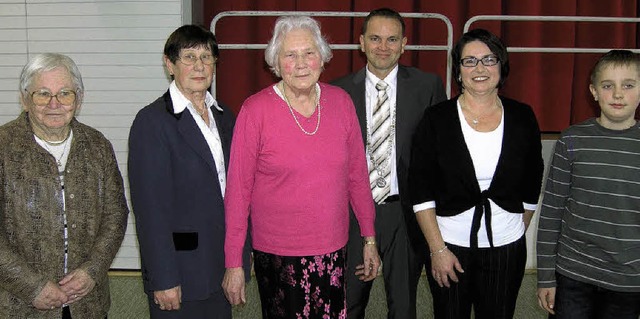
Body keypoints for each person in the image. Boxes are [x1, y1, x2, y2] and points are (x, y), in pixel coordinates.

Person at [222, 16, 381, 318]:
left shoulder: (341, 102)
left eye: (309, 52)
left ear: (322, 57)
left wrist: (369, 238)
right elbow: (238, 193)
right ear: (275, 62)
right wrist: (234, 262)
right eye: (290, 55)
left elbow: (358, 177)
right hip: (280, 256)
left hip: (334, 250)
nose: (301, 63)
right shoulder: (255, 111)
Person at [409, 28, 544, 319]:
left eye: (489, 59)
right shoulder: (436, 119)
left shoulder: (523, 116)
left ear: (501, 66)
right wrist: (437, 250)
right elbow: (420, 191)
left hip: (506, 247)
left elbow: (533, 179)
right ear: (458, 71)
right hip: (449, 245)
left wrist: (513, 226)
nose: (479, 68)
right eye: (469, 61)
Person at [128, 25, 250, 319]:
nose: (199, 66)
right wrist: (164, 277)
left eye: (207, 57)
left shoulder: (226, 117)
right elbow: (150, 210)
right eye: (189, 57)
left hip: (222, 266)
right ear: (169, 65)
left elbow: (239, 192)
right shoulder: (152, 122)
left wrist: (239, 261)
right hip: (180, 274)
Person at [331, 8, 447, 319]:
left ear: (404, 43)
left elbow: (441, 153)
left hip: (405, 214)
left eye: (392, 39)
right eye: (376, 38)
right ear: (361, 42)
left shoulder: (428, 86)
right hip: (355, 214)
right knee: (349, 302)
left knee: (404, 304)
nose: (384, 47)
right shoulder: (337, 91)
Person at [0, 53, 129, 318]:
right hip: (20, 305)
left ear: (78, 99)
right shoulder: (4, 147)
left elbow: (116, 215)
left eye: (65, 93)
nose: (54, 104)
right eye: (43, 94)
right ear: (25, 99)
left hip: (87, 302)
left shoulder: (97, 146)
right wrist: (32, 286)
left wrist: (92, 270)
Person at [536, 50, 640, 319]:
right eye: (608, 86)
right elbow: (551, 212)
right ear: (594, 91)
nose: (618, 94)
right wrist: (546, 277)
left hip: (629, 281)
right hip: (573, 273)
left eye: (628, 85)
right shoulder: (571, 140)